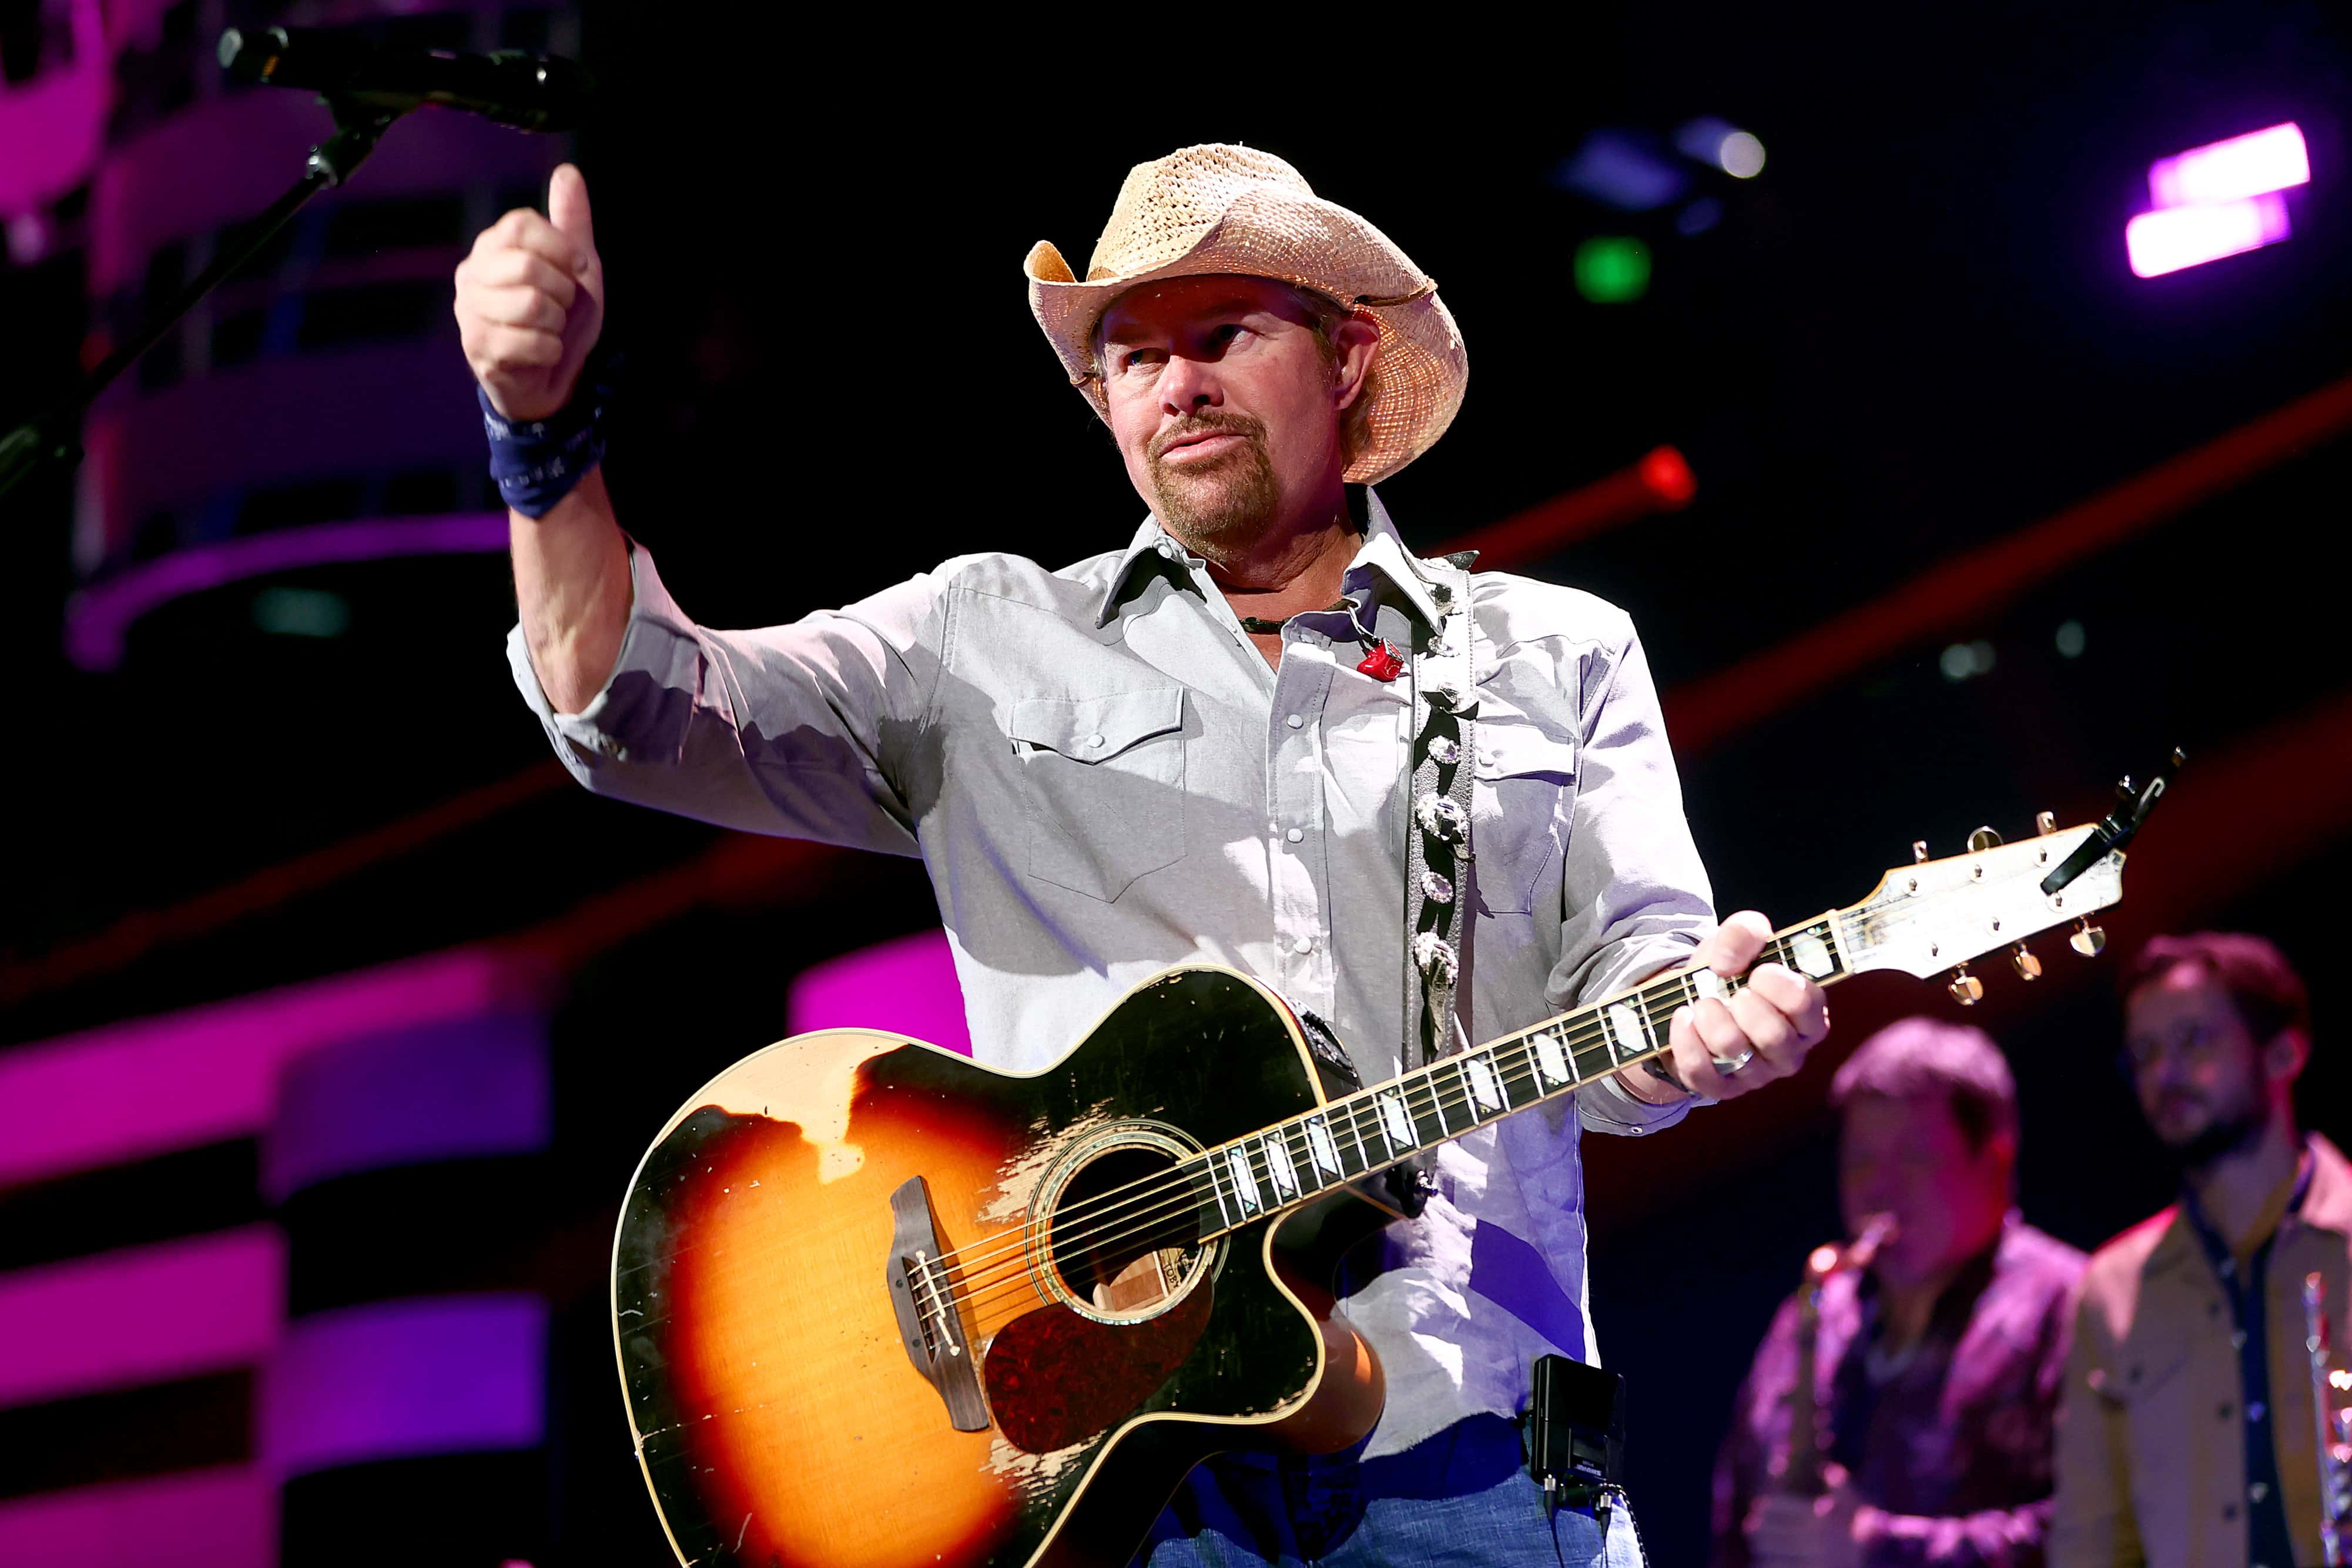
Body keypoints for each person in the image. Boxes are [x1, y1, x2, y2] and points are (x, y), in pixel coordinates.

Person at [454, 143, 1832, 1567]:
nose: (1177, 386)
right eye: (1133, 357)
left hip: (1478, 1470)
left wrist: (1696, 1032)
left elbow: (1632, 1002)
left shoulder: (1551, 652)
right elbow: (634, 710)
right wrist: (540, 442)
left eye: (1223, 335)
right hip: (1113, 1496)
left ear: (1347, 357)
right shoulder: (981, 638)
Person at [1711, 1017, 2086, 1568]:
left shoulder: (2072, 1303)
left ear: (1995, 1159)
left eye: (1913, 1157)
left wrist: (1879, 1549)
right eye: (1860, 1160)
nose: (1877, 1187)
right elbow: (1736, 1509)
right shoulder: (1814, 1312)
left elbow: (2100, 1531)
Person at [2052, 934, 2340, 1568]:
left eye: (2194, 1040)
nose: (2164, 1074)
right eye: (2145, 1053)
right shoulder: (2113, 1286)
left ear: (2283, 1052)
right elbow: (2092, 1541)